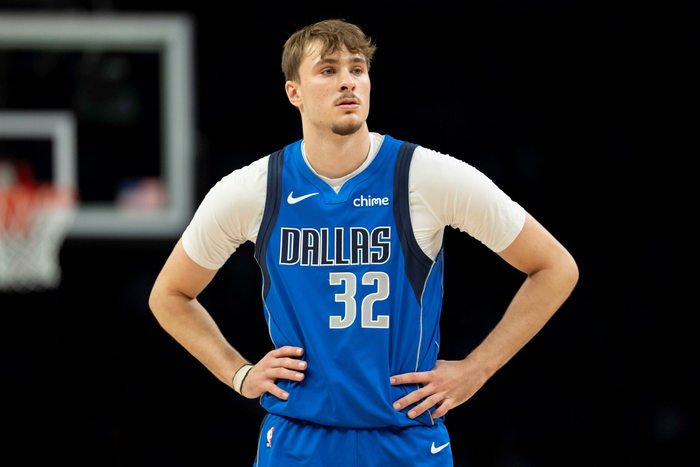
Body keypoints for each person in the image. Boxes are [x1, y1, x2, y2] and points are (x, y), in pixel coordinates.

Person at [149, 19, 578, 467]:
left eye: (357, 68)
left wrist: (477, 369)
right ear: (294, 92)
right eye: (328, 70)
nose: (348, 81)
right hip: (298, 440)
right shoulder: (254, 189)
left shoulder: (424, 176)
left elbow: (555, 267)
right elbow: (170, 295)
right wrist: (239, 374)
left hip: (406, 435)